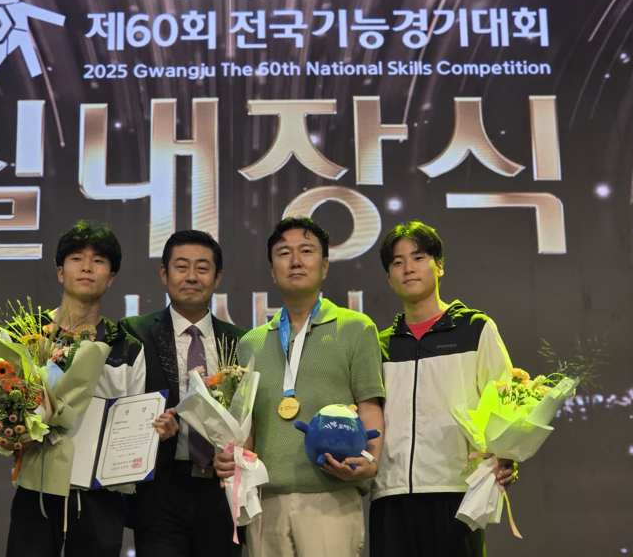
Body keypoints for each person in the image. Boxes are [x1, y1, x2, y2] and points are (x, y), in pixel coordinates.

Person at [215, 217, 385, 557]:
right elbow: (250, 424)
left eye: (306, 251)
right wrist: (232, 457)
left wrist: (370, 460)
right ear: (272, 270)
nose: (295, 260)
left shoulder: (356, 328)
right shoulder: (251, 344)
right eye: (284, 253)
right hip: (265, 499)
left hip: (332, 494)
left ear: (325, 266)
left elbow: (369, 406)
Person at [369, 221, 519, 557]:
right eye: (397, 262)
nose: (408, 268)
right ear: (389, 278)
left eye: (418, 257)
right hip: (391, 496)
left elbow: (507, 404)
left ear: (439, 266)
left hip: (456, 493)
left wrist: (507, 455)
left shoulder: (475, 329)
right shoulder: (379, 344)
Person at [6, 220, 150, 557]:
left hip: (101, 498)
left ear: (111, 278)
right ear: (60, 272)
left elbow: (135, 421)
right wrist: (12, 433)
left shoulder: (126, 346)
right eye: (76, 259)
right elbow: (4, 401)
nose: (87, 267)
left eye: (99, 261)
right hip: (38, 488)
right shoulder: (27, 334)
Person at [120, 230, 247, 557]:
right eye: (181, 267)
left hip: (222, 489)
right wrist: (151, 428)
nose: (192, 276)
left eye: (202, 268)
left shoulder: (240, 341)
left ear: (217, 277)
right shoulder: (135, 333)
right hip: (162, 491)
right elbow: (120, 407)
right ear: (164, 273)